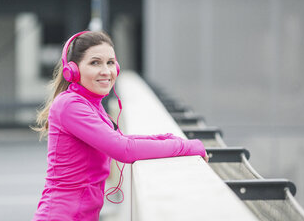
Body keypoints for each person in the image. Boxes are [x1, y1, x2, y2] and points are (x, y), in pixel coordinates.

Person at [31, 30, 208, 221]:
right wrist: (188, 147)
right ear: (72, 70)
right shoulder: (70, 105)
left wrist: (168, 138)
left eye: (110, 62)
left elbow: (122, 139)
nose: (106, 71)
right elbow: (123, 149)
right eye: (95, 63)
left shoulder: (89, 103)